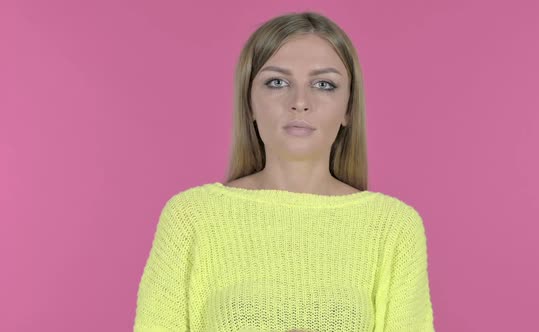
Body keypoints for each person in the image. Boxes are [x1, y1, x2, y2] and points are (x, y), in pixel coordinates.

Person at [133, 11, 435, 332]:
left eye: (324, 84)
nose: (300, 102)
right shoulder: (191, 217)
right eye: (277, 82)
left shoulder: (393, 226)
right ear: (249, 102)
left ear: (348, 107)